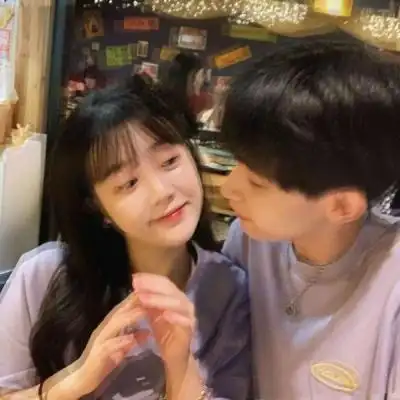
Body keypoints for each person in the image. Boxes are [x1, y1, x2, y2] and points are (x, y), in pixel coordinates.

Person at [0, 76, 251, 399]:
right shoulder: (44, 276)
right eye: (129, 183)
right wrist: (75, 379)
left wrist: (181, 366)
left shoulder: (227, 289)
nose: (162, 192)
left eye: (170, 161)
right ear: (96, 206)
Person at [219, 41, 400, 399]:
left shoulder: (391, 285)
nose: (228, 188)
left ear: (342, 206)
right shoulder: (249, 240)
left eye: (257, 182)